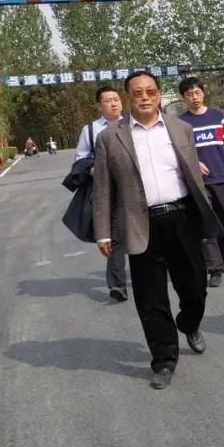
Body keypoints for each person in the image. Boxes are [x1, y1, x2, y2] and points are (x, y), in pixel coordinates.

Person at [93, 71, 222, 390]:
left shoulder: (181, 128)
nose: (145, 97)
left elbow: (193, 175)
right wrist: (103, 231)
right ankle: (163, 359)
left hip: (182, 218)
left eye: (150, 91)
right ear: (128, 97)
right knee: (151, 297)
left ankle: (188, 322)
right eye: (138, 93)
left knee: (195, 286)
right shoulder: (110, 137)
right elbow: (103, 188)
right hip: (140, 223)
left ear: (159, 94)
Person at [177, 77, 224, 288]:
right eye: (189, 94)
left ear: (203, 93)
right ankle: (214, 268)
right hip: (197, 183)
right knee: (206, 222)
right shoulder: (181, 123)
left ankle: (221, 253)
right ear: (183, 97)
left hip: (222, 178)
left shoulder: (218, 117)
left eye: (197, 92)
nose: (194, 97)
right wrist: (194, 163)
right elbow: (178, 152)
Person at [76, 86, 128, 301]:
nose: (114, 103)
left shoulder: (132, 124)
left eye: (116, 99)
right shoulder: (91, 130)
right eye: (108, 100)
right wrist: (94, 170)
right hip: (108, 190)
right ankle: (118, 285)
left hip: (135, 188)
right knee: (115, 236)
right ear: (99, 106)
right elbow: (80, 159)